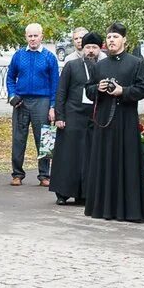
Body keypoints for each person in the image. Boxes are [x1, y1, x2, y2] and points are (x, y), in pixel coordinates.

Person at [83, 22, 144, 222]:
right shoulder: (100, 65)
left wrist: (124, 91)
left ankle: (129, 210)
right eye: (109, 37)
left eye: (115, 37)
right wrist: (98, 88)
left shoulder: (135, 62)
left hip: (126, 120)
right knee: (104, 162)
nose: (112, 40)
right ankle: (104, 208)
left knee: (127, 163)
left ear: (124, 40)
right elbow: (88, 91)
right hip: (104, 121)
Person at [49, 31, 101, 205]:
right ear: (83, 49)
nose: (91, 51)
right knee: (68, 156)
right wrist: (59, 116)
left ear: (99, 49)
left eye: (94, 47)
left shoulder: (102, 67)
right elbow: (61, 91)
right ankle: (62, 193)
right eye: (88, 47)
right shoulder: (72, 66)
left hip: (92, 118)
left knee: (87, 156)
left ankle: (84, 193)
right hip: (71, 116)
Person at [6, 23, 60, 187]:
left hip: (42, 101)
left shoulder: (49, 57)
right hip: (21, 101)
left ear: (41, 36)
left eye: (36, 35)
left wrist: (53, 106)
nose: (33, 39)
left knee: (45, 139)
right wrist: (12, 96)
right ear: (26, 37)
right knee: (18, 138)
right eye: (30, 36)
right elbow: (9, 78)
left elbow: (55, 84)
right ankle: (17, 174)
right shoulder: (18, 55)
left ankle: (45, 175)